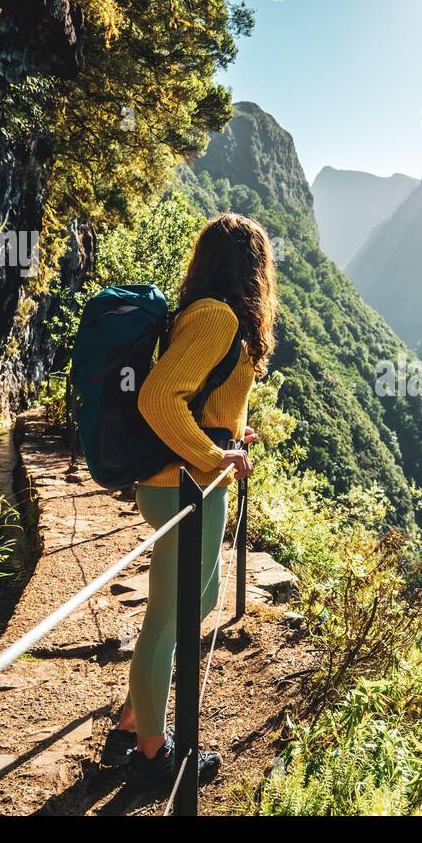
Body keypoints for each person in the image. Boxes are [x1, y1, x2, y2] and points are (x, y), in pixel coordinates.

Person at [100, 212, 277, 786]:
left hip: (196, 481)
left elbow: (199, 400)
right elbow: (159, 398)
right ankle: (152, 752)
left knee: (196, 603)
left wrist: (228, 434)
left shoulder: (209, 315)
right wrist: (210, 456)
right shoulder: (216, 318)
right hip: (183, 486)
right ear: (254, 268)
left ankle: (133, 718)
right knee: (170, 613)